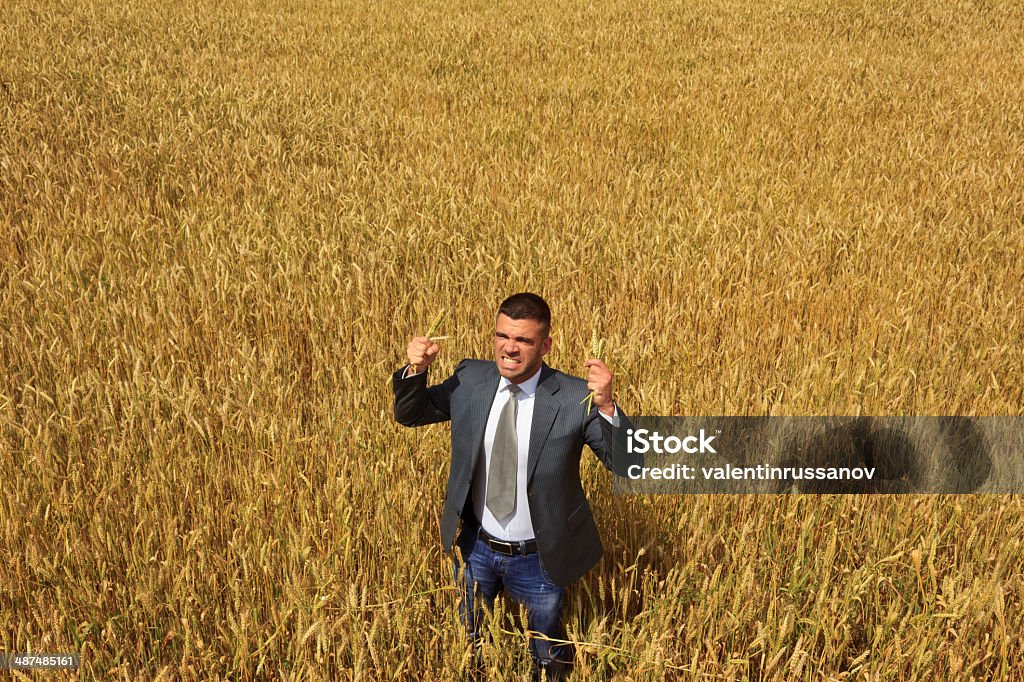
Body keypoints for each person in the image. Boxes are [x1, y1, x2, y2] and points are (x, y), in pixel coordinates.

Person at [392, 293, 638, 680]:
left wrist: (607, 406)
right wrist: (415, 369)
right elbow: (411, 413)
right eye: (502, 335)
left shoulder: (576, 397)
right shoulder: (470, 379)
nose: (509, 348)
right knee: (469, 643)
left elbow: (627, 464)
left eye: (523, 340)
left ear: (546, 345)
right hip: (475, 548)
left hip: (540, 557)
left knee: (548, 653)